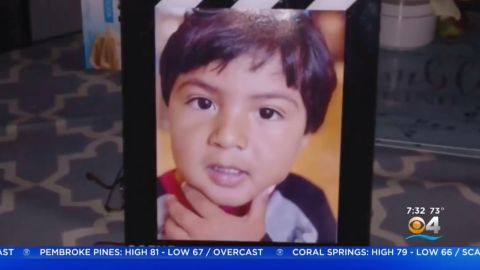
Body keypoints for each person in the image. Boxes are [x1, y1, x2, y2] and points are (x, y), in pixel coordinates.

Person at [156, 8, 337, 243]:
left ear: (307, 130)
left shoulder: (307, 209)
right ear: (168, 108)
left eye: (267, 112)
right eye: (202, 102)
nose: (228, 136)